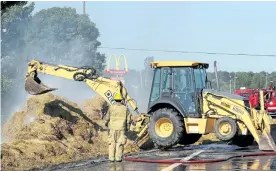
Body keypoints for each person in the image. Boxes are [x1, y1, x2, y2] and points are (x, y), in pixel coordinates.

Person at [104, 93, 132, 162]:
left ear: (115, 99)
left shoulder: (111, 107)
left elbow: (107, 118)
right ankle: (118, 158)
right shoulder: (125, 109)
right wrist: (127, 128)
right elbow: (128, 120)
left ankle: (111, 158)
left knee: (112, 143)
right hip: (122, 129)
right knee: (120, 143)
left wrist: (106, 124)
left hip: (113, 128)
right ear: (121, 100)